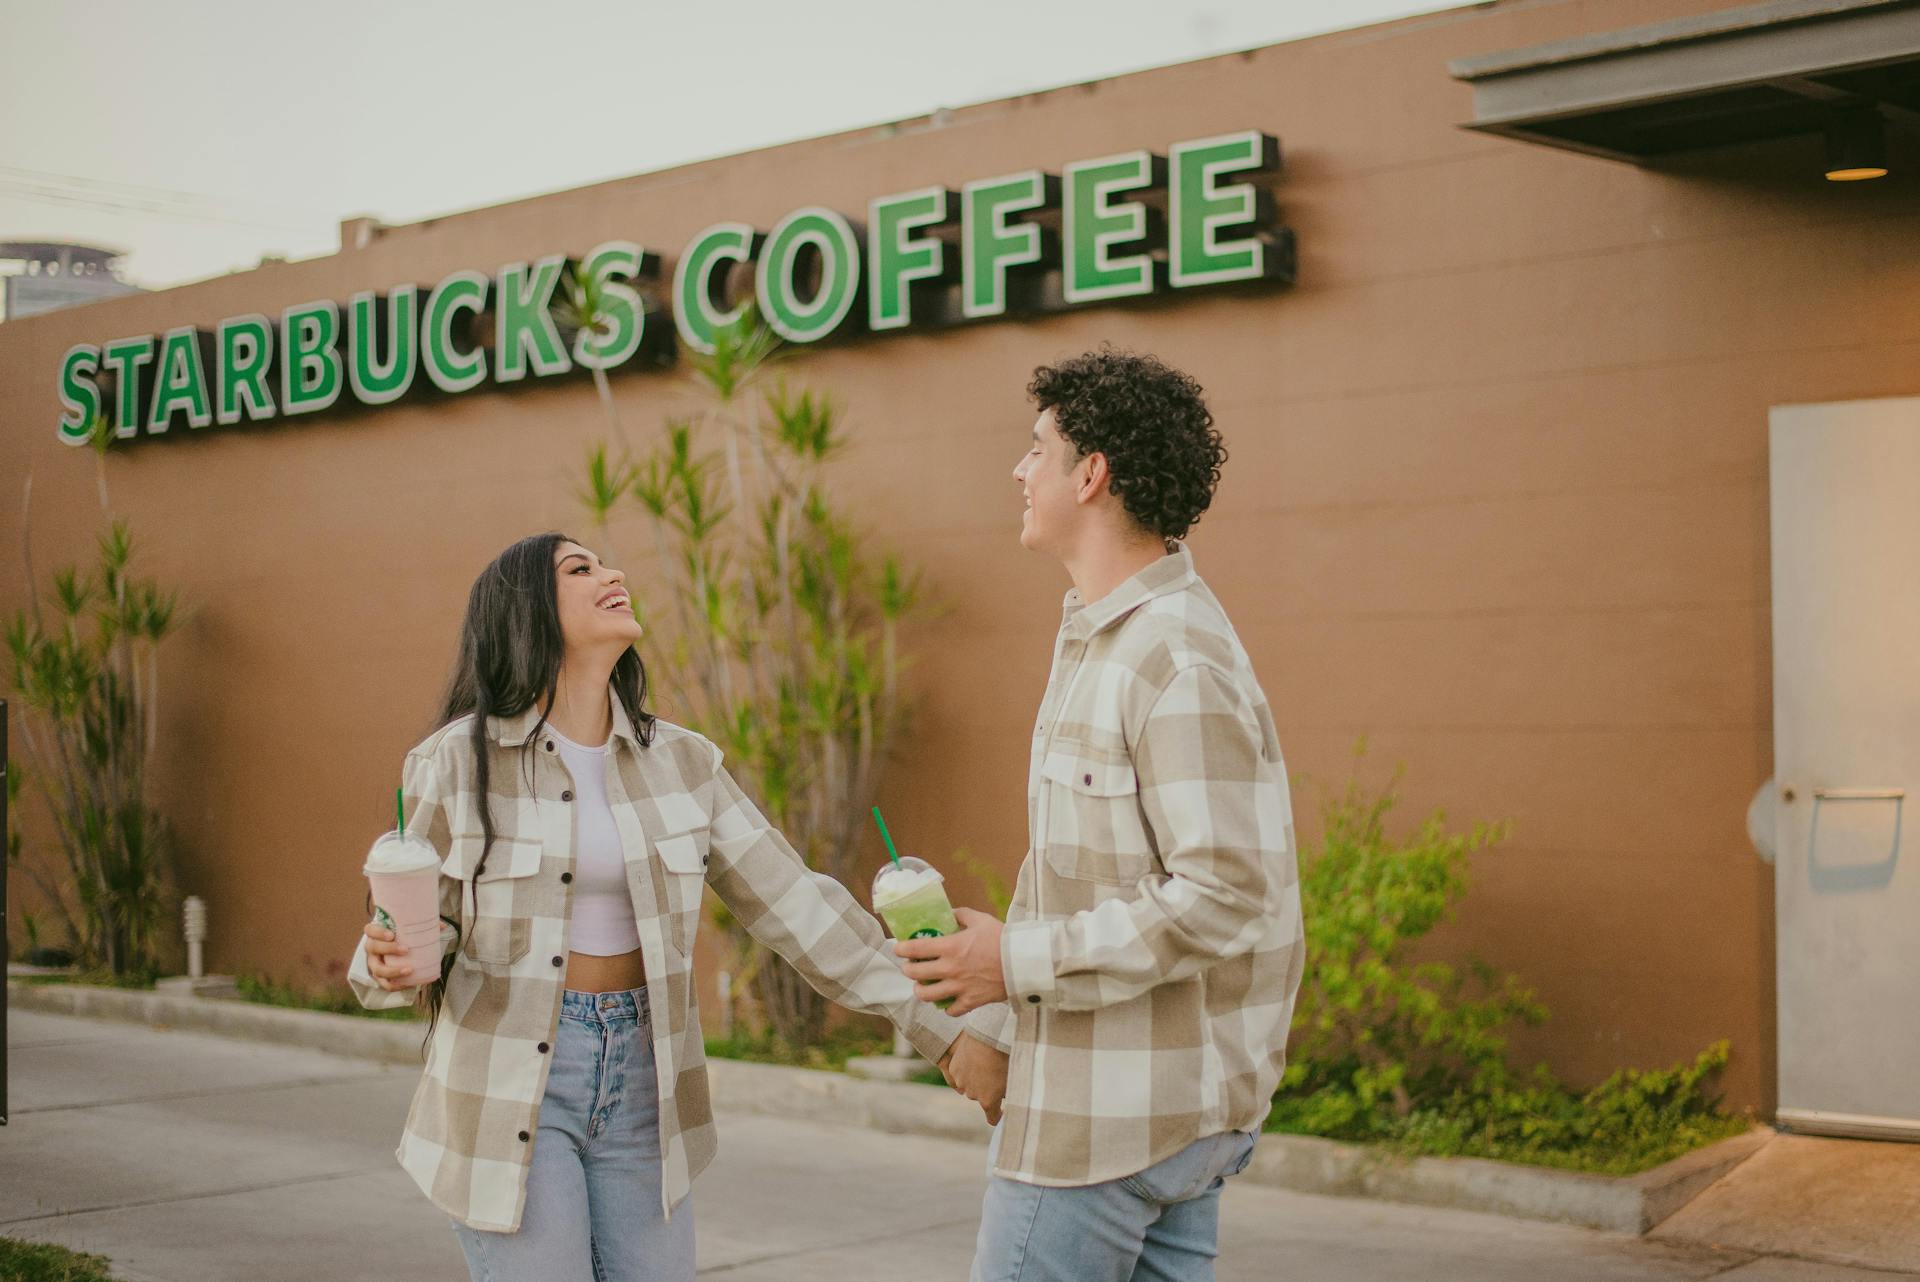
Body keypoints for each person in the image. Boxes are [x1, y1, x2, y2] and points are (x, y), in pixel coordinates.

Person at [346, 532, 989, 1281]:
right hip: (509, 1080)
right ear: (525, 612)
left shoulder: (683, 762)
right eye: (579, 570)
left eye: (606, 562)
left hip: (646, 1084)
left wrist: (942, 1030)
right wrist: (386, 961)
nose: (611, 573)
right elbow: (414, 917)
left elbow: (797, 906)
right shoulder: (457, 760)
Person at [897, 349, 1305, 1282]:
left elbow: (1224, 892)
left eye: (1037, 447)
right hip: (1137, 1106)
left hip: (1111, 1127)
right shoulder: (1099, 637)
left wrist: (1010, 961)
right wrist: (1001, 1021)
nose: (1018, 469)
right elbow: (1083, 883)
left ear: (1092, 474)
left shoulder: (1172, 658)